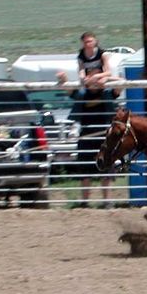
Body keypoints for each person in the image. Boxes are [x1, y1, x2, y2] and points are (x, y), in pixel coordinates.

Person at [57, 68, 119, 208]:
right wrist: (63, 79)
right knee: (85, 170)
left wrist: (106, 79)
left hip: (104, 136)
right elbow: (68, 89)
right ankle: (85, 202)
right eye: (91, 75)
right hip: (85, 136)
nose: (94, 79)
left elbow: (122, 83)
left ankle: (107, 201)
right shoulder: (82, 94)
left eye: (96, 75)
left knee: (106, 169)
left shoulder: (107, 93)